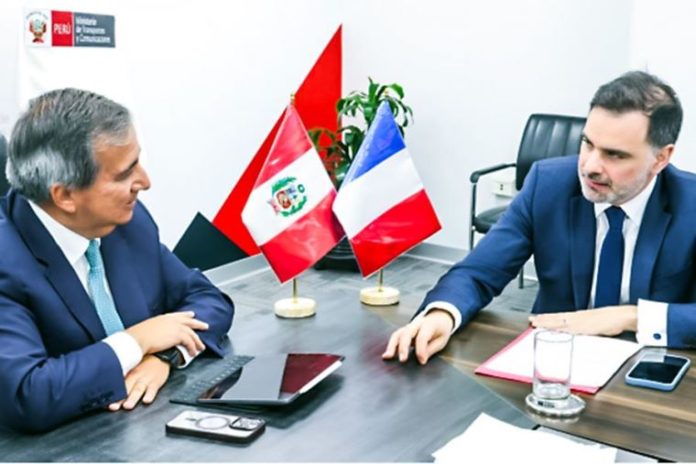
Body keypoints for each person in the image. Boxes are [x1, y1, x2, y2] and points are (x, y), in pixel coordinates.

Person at [384, 70, 696, 365]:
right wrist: (442, 314)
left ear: (661, 158)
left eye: (614, 154)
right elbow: (478, 272)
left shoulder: (690, 204)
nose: (590, 166)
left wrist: (630, 317)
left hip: (649, 368)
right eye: (587, 143)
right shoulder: (549, 185)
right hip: (552, 363)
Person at [0, 88, 234, 432]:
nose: (145, 182)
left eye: (138, 161)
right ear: (64, 195)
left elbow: (208, 300)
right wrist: (138, 342)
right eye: (125, 174)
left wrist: (164, 356)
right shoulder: (6, 261)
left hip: (146, 430)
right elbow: (27, 393)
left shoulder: (127, 222)